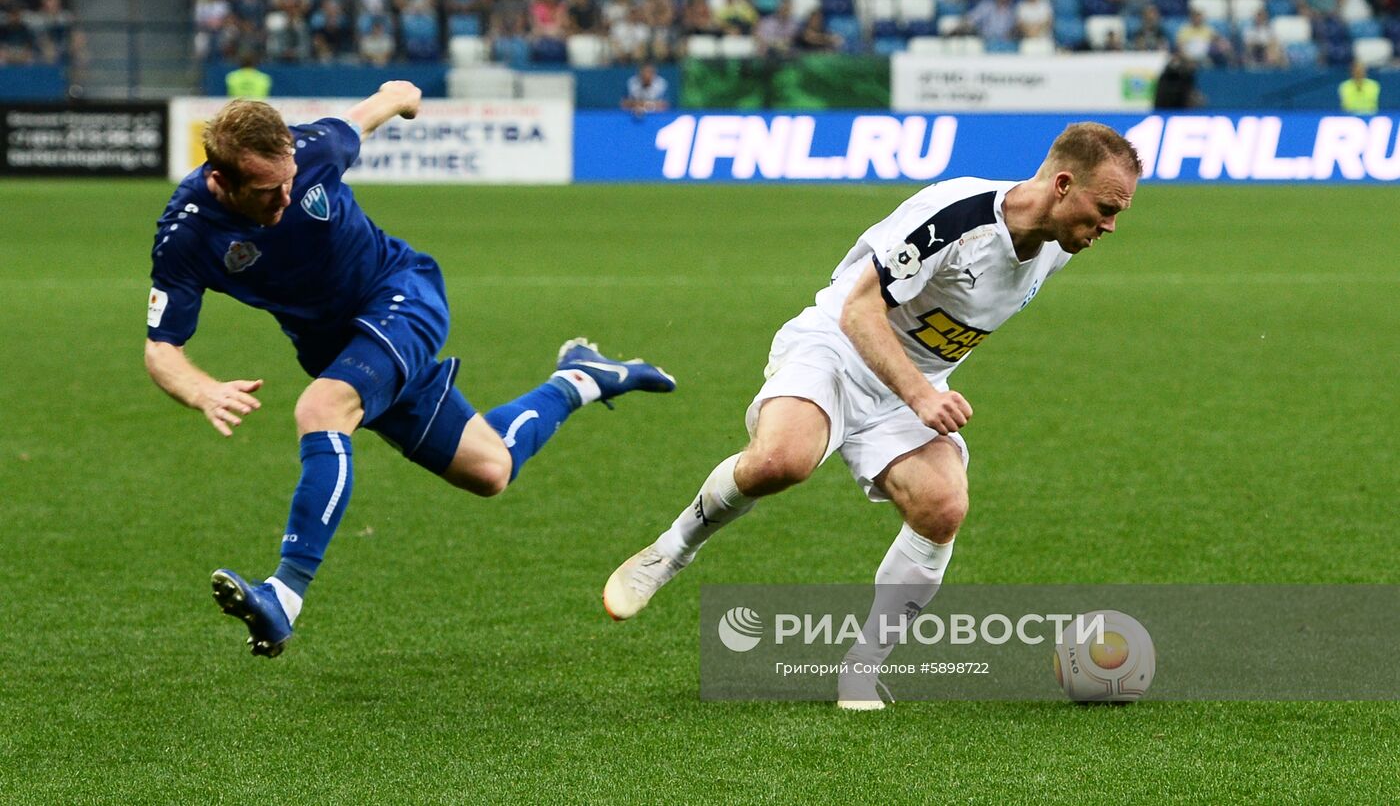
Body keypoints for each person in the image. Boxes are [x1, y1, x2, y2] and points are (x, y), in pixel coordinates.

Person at [601, 122, 1141, 710]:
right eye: (1106, 208)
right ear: (1063, 184)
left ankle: (861, 667)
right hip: (838, 347)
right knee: (780, 462)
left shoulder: (1057, 248)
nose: (1110, 227)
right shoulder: (956, 216)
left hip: (910, 384)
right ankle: (671, 550)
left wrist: (918, 389)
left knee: (943, 506)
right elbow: (860, 310)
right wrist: (920, 395)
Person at [145, 83, 676, 658]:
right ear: (221, 181)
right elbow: (161, 348)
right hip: (338, 350)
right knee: (490, 469)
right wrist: (202, 391)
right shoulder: (187, 233)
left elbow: (365, 114)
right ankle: (583, 378)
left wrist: (399, 95)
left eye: (290, 180)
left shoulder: (315, 149)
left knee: (321, 409)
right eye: (266, 192)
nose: (285, 198)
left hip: (401, 297)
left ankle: (284, 595)